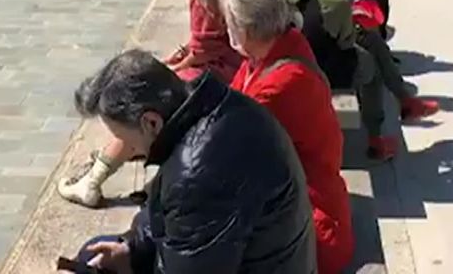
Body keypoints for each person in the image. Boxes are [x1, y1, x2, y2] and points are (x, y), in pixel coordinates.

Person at [58, 0, 273, 209]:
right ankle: (140, 178)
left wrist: (175, 63)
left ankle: (93, 179)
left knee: (143, 94)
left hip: (218, 75)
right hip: (243, 66)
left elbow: (203, 50)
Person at [70, 51, 316, 274]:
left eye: (125, 139)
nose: (130, 149)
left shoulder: (195, 174)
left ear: (151, 123)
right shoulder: (218, 106)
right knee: (95, 255)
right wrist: (134, 249)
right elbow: (168, 219)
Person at [220, 0, 355, 273]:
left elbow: (229, 140)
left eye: (229, 23)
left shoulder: (276, 86)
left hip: (311, 233)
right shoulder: (285, 43)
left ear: (244, 31)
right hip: (316, 203)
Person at [279, 0, 401, 161]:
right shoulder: (336, 3)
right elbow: (346, 43)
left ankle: (405, 98)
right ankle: (376, 140)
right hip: (318, 69)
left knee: (371, 43)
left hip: (288, 57)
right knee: (372, 70)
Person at [315, 0, 441, 123]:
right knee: (370, 66)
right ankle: (379, 134)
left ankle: (404, 101)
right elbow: (339, 39)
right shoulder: (330, 2)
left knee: (372, 40)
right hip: (322, 60)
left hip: (327, 46)